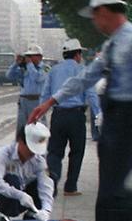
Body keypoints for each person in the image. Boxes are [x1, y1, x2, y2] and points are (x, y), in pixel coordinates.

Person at [29, 0, 132, 221]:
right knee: (110, 194)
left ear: (107, 12)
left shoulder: (129, 42)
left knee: (116, 193)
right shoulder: (112, 45)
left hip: (126, 118)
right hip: (116, 119)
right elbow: (87, 77)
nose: (95, 21)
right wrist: (51, 101)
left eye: (96, 15)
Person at [39, 39, 101, 196]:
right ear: (78, 54)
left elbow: (45, 95)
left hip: (58, 115)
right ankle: (70, 187)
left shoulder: (53, 71)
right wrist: (99, 116)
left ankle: (51, 185)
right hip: (76, 116)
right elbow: (92, 95)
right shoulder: (83, 70)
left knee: (54, 152)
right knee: (77, 151)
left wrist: (40, 116)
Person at [0, 123, 54, 221]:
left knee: (52, 177)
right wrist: (20, 195)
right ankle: (5, 215)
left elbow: (46, 186)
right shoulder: (3, 154)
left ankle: (33, 214)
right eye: (30, 149)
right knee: (12, 179)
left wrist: (46, 210)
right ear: (20, 141)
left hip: (23, 195)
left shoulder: (38, 160)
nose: (32, 153)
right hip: (0, 196)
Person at [6, 44, 49, 133]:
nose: (28, 58)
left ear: (39, 57)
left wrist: (29, 64)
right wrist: (16, 63)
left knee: (38, 128)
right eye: (27, 56)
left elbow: (37, 78)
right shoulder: (24, 68)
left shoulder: (45, 68)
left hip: (37, 101)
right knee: (22, 128)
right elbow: (9, 75)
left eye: (30, 56)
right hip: (23, 101)